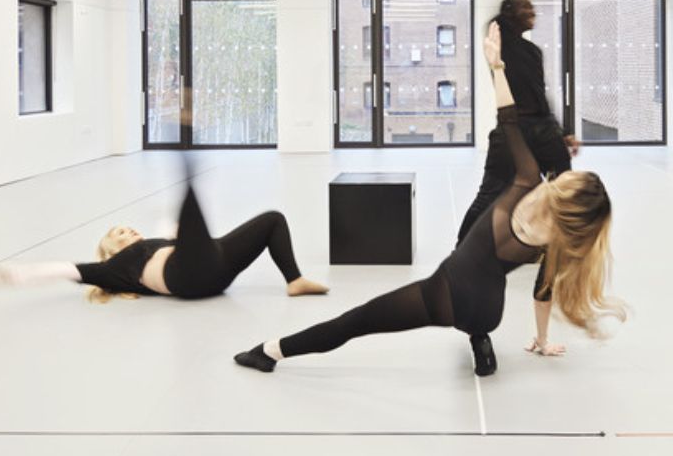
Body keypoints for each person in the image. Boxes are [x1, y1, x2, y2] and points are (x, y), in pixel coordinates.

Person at [233, 21, 622, 376]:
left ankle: (268, 351)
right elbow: (543, 292)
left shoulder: (525, 179)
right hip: (491, 311)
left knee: (356, 321)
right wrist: (539, 341)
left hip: (446, 295)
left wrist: (496, 65)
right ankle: (480, 340)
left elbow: (508, 116)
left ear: (564, 187)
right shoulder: (556, 243)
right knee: (478, 315)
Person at [454, 0, 580, 371]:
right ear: (511, 14)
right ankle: (464, 249)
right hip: (519, 131)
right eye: (526, 8)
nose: (534, 13)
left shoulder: (531, 51)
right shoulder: (501, 42)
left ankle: (539, 261)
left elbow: (541, 99)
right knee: (492, 196)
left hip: (534, 131)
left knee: (561, 206)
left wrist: (562, 133)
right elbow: (518, 91)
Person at [0, 184, 328, 302]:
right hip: (189, 276)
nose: (129, 232)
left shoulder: (153, 243)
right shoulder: (112, 270)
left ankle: (294, 280)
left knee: (272, 219)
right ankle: (186, 160)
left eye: (127, 228)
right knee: (188, 218)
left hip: (216, 266)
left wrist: (171, 224)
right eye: (119, 234)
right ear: (112, 249)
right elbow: (65, 269)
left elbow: (170, 230)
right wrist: (17, 274)